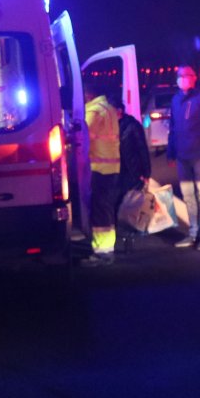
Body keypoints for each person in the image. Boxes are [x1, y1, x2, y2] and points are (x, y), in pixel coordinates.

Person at [168, 64, 200, 250]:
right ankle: (192, 233)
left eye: (186, 75)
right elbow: (173, 128)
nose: (182, 78)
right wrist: (171, 152)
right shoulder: (175, 100)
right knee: (188, 196)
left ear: (194, 77)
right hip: (182, 156)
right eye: (179, 75)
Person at [80, 79, 121, 267]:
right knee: (106, 209)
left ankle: (103, 252)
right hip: (111, 167)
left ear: (88, 94)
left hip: (99, 168)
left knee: (100, 210)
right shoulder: (109, 108)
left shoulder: (93, 110)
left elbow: (81, 133)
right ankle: (107, 248)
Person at [109, 90, 151, 197]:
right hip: (116, 172)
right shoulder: (108, 126)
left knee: (130, 204)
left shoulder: (132, 125)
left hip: (132, 171)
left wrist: (146, 173)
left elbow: (142, 149)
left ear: (119, 110)